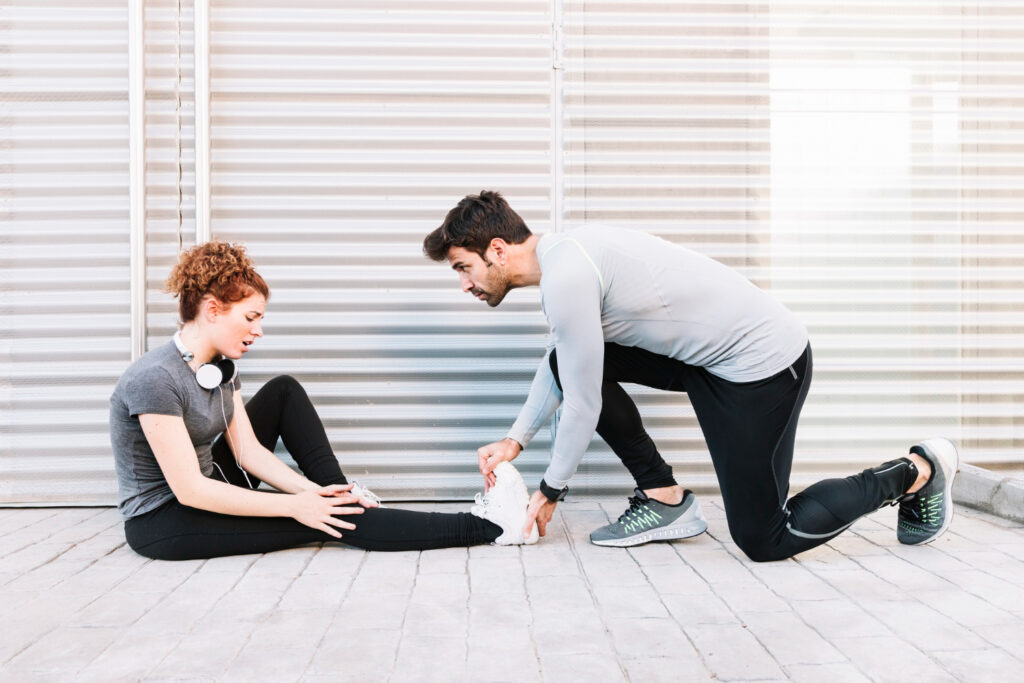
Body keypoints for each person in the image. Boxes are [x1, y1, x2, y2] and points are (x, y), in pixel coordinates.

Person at [422, 190, 959, 562]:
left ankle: (916, 472)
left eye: (463, 267)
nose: (465, 285)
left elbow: (583, 403)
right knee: (570, 359)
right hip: (709, 362)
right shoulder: (565, 256)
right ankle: (664, 499)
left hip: (763, 366)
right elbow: (565, 361)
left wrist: (549, 490)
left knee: (765, 537)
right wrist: (516, 440)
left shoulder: (568, 272)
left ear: (496, 249)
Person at [110, 240, 538, 561]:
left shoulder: (221, 367)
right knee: (335, 524)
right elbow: (190, 490)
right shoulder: (154, 379)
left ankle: (342, 495)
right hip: (169, 519)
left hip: (217, 486)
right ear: (213, 309)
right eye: (251, 317)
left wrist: (319, 494)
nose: (258, 330)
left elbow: (249, 452)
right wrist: (298, 506)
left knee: (285, 394)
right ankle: (491, 527)